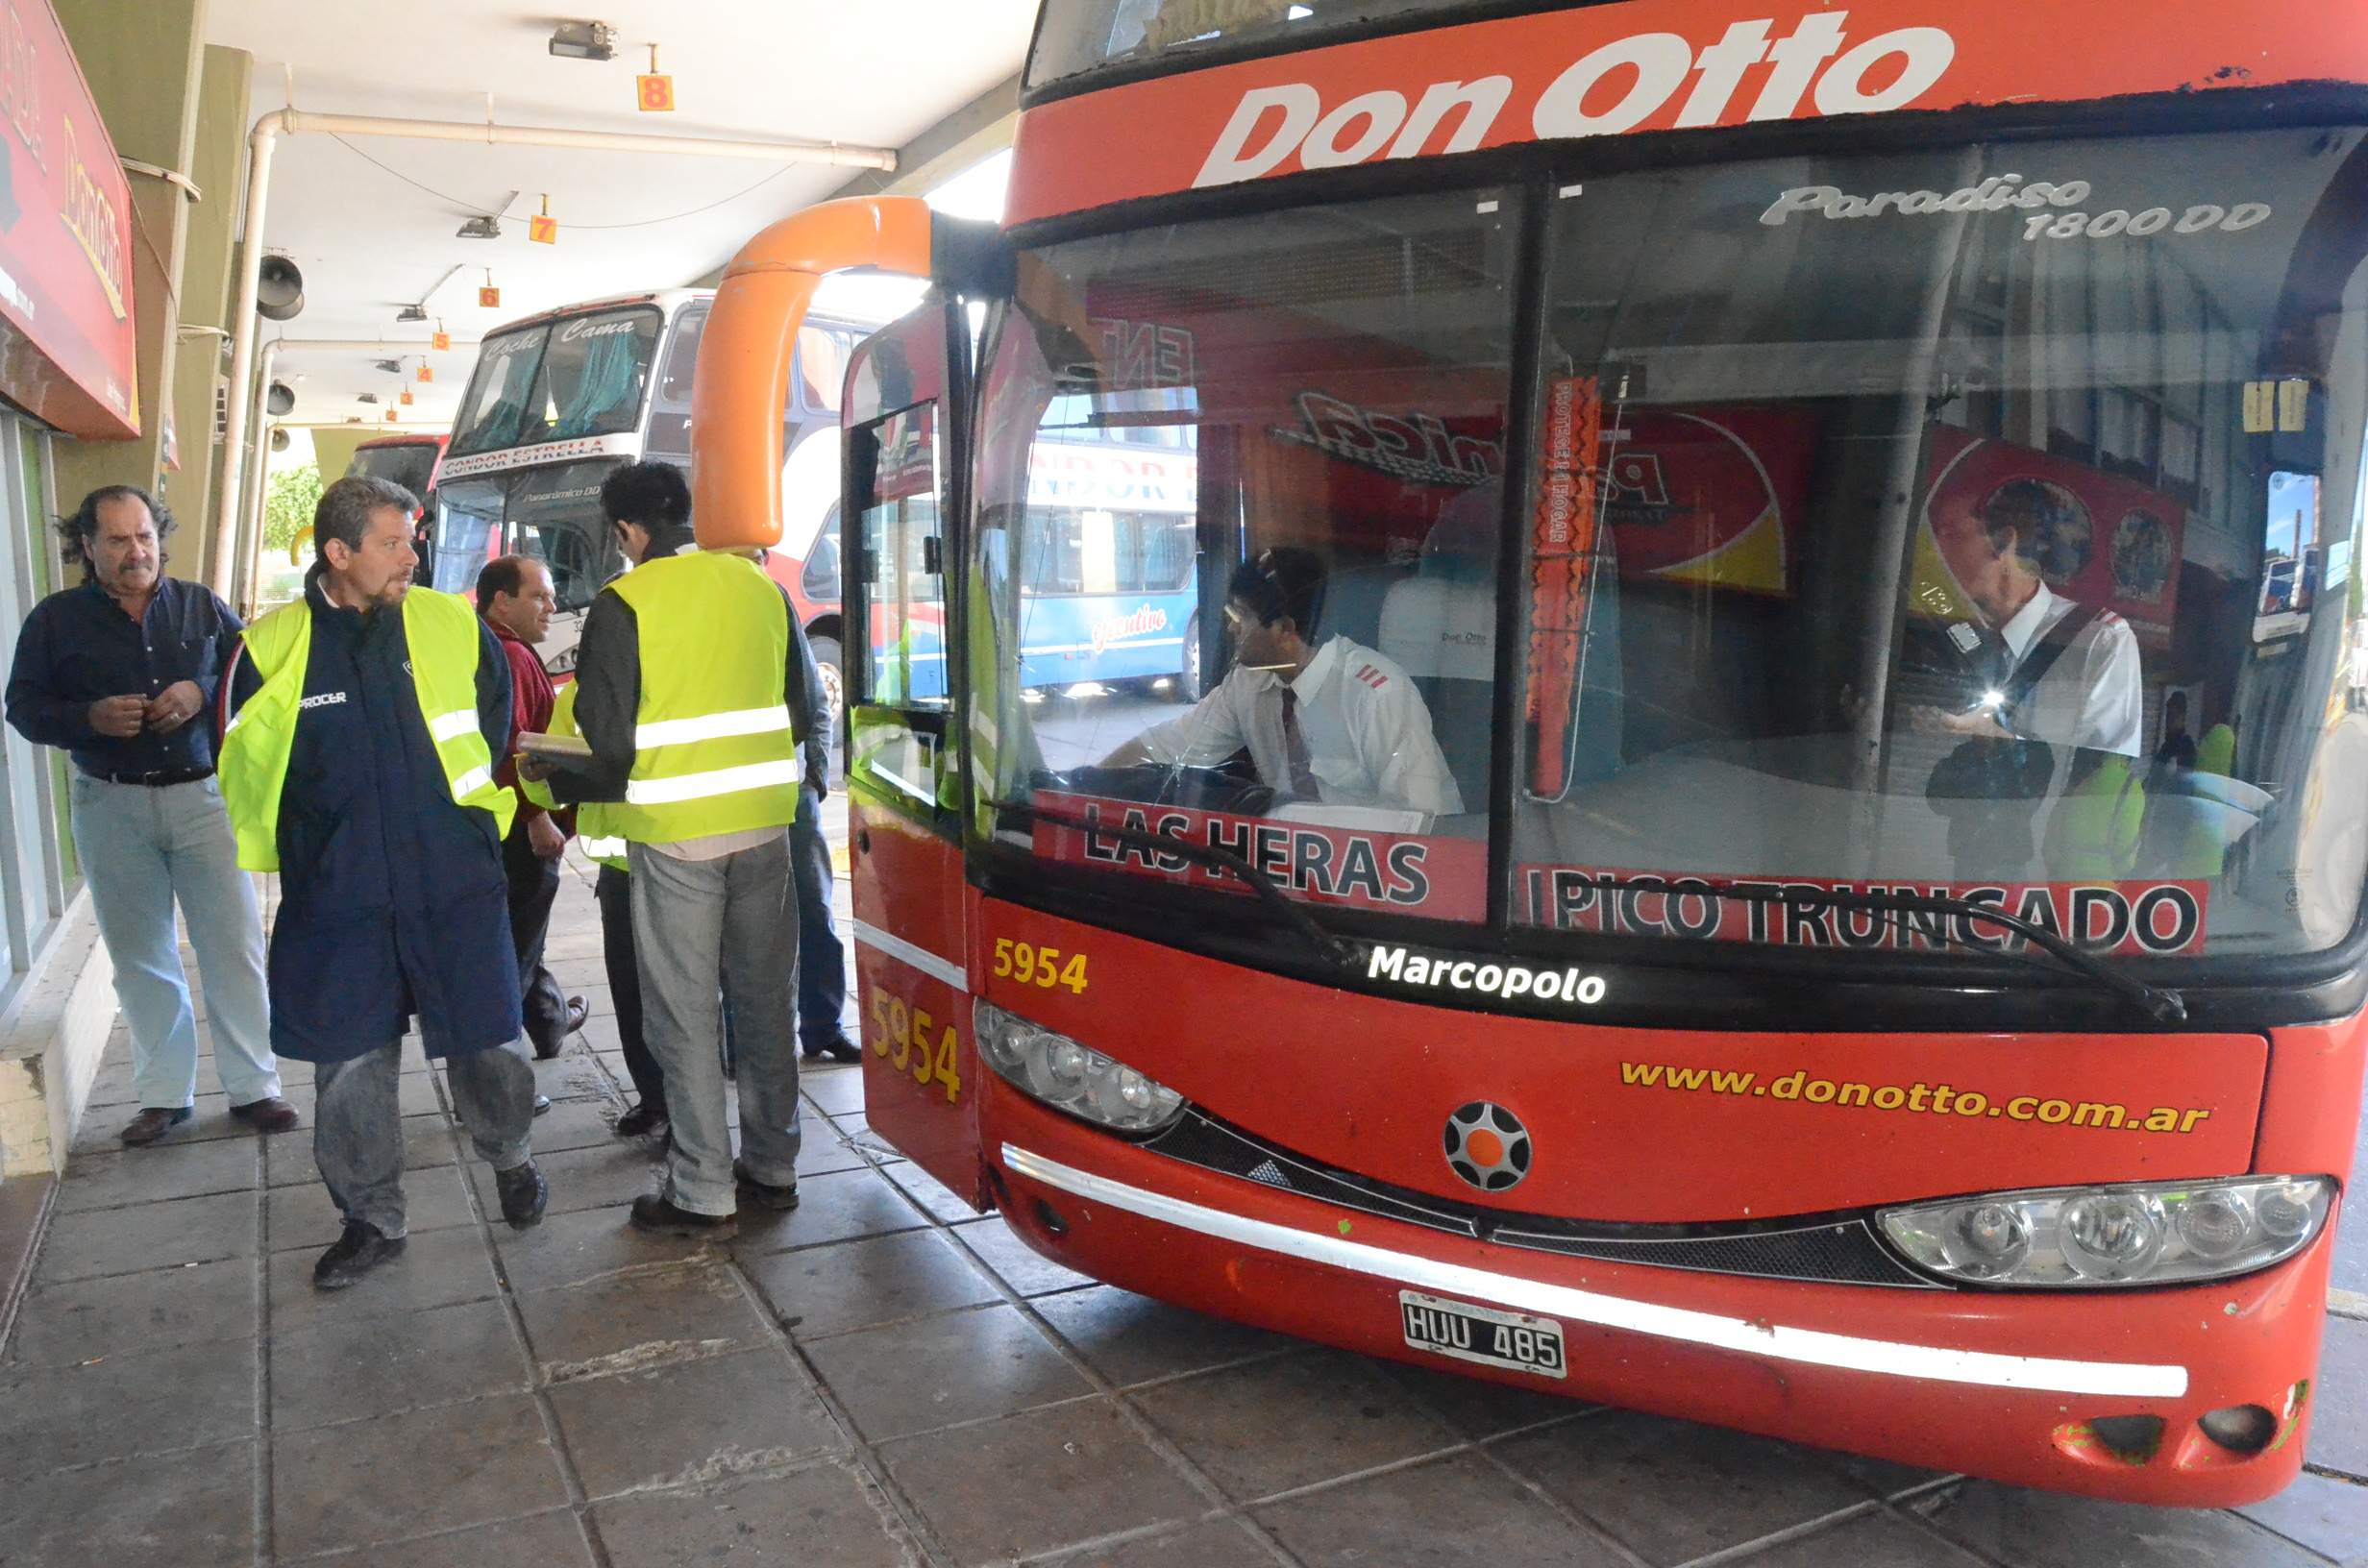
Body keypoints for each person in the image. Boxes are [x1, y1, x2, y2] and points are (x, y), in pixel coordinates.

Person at [219, 476, 548, 1289]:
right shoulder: (272, 647)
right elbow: (236, 759)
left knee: (489, 1038)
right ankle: (370, 1219)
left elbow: (493, 721)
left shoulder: (452, 626)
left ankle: (510, 1155)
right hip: (340, 893)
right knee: (350, 1065)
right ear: (340, 553)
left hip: (451, 878)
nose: (414, 554)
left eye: (414, 538)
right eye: (393, 542)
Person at [529, 461, 813, 1237]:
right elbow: (803, 707)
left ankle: (700, 1188)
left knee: (684, 1017)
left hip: (677, 837)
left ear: (626, 530)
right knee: (763, 1003)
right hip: (766, 831)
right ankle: (774, 1166)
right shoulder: (760, 586)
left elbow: (612, 748)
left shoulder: (627, 602)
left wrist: (547, 771)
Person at [4, 486, 294, 1147]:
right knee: (140, 955)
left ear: (159, 537)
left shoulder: (203, 608)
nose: (136, 551)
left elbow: (257, 684)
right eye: (117, 540)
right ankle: (165, 1095)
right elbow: (22, 706)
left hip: (204, 800)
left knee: (235, 946)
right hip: (111, 804)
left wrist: (204, 688)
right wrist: (87, 718)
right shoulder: (55, 621)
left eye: (144, 536)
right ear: (87, 547)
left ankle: (256, 1087)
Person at [1100, 548, 1462, 816]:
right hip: (1287, 870)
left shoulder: (1374, 694)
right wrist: (1085, 783)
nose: (1230, 628)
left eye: (1240, 616)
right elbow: (1168, 745)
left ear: (1285, 630)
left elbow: (1424, 817)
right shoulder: (1248, 684)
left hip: (1370, 878)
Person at [1918, 478, 2143, 757]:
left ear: (2003, 544)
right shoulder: (1956, 638)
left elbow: (2099, 775)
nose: (1933, 551)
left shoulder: (2100, 641)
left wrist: (2003, 741)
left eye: (1950, 535)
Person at [475, 555, 588, 1060]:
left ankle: (548, 1023)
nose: (551, 606)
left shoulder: (481, 646)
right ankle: (500, 1070)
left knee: (520, 940)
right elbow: (512, 748)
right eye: (539, 596)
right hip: (522, 829)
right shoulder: (511, 657)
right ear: (502, 600)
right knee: (514, 954)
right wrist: (537, 817)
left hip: (494, 826)